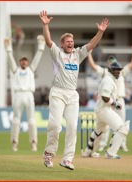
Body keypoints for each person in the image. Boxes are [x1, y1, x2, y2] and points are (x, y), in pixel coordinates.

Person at [39, 10, 110, 170]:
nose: (70, 43)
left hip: (72, 94)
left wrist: (100, 32)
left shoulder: (78, 54)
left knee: (72, 126)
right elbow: (48, 40)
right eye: (68, 42)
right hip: (57, 93)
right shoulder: (57, 53)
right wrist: (45, 25)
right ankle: (49, 154)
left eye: (72, 41)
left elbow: (92, 44)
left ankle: (67, 158)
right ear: (62, 44)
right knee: (56, 125)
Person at [88, 43, 132, 152]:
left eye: (113, 61)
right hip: (108, 102)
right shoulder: (105, 72)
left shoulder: (120, 72)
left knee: (121, 123)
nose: (111, 62)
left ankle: (122, 144)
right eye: (110, 61)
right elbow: (93, 66)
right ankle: (103, 144)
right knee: (106, 124)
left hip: (120, 100)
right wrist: (89, 53)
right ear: (108, 63)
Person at [4, 35, 45, 152]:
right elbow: (10, 59)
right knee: (16, 119)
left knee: (31, 120)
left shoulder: (31, 70)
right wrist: (8, 48)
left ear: (27, 62)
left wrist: (41, 46)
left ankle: (33, 143)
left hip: (28, 95)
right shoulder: (15, 71)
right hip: (18, 95)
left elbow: (37, 58)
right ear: (20, 62)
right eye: (22, 60)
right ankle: (14, 142)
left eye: (25, 60)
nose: (24, 62)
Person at [83, 62, 130, 159]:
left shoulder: (112, 80)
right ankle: (110, 153)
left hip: (102, 108)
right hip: (104, 109)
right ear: (111, 70)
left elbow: (110, 96)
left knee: (100, 131)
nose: (119, 72)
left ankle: (88, 152)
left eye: (119, 70)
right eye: (116, 70)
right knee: (122, 128)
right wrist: (115, 103)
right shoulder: (109, 80)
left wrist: (116, 102)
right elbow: (105, 97)